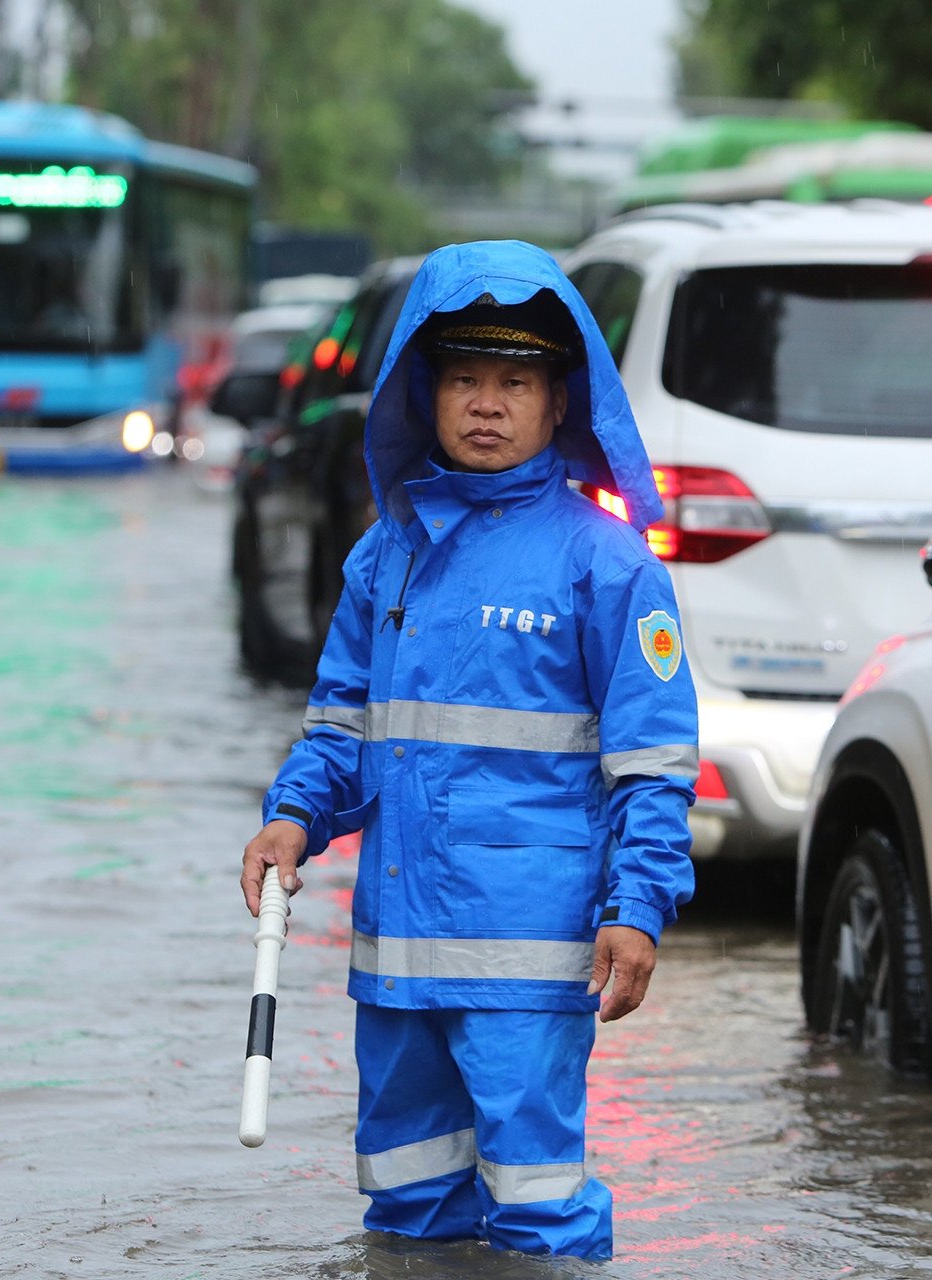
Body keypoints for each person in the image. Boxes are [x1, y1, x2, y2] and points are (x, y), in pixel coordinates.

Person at [238, 240, 697, 1260]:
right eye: (464, 379)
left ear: (558, 402)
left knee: (539, 1211)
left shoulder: (607, 563)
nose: (487, 403)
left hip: (527, 964)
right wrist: (290, 818)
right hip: (396, 958)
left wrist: (637, 909)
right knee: (405, 1210)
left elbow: (654, 765)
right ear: (424, 391)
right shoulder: (384, 550)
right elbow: (342, 724)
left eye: (515, 381)